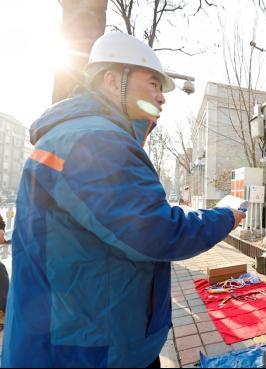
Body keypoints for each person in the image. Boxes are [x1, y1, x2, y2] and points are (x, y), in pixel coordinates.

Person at [2, 32, 245, 368]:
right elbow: (158, 232)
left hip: (79, 340)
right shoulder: (97, 140)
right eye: (153, 84)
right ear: (112, 80)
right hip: (86, 352)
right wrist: (225, 215)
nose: (162, 98)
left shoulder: (76, 134)